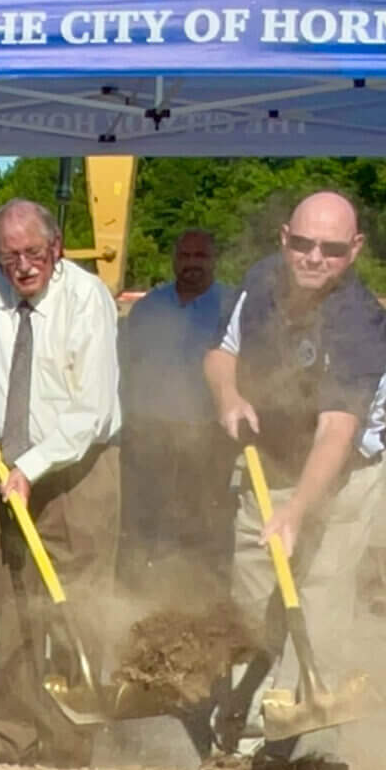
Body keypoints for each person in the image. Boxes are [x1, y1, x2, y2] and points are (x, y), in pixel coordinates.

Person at [204, 191, 386, 757]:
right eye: (304, 244)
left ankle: (306, 746)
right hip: (269, 461)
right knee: (255, 599)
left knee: (319, 600)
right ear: (285, 237)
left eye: (332, 250)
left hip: (343, 478)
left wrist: (294, 511)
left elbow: (337, 431)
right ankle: (259, 696)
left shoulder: (361, 322)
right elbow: (220, 352)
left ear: (355, 249)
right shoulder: (260, 281)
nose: (314, 258)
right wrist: (228, 397)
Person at [0, 200, 123, 769]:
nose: (22, 267)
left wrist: (31, 468)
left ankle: (70, 745)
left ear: (57, 246)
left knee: (75, 604)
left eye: (34, 254)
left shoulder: (87, 300)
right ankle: (11, 738)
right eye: (9, 255)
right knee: (13, 604)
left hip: (78, 471)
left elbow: (90, 411)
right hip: (6, 466)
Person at [119, 230, 239, 588]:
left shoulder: (233, 308)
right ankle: (138, 593)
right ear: (174, 259)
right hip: (148, 434)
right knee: (142, 521)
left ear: (214, 260)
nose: (191, 264)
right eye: (184, 256)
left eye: (200, 257)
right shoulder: (148, 308)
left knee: (201, 522)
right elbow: (126, 367)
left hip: (206, 438)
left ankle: (198, 596)